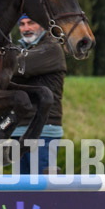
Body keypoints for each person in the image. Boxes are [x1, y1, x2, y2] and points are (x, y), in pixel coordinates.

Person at [10, 15, 67, 174]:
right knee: (20, 186)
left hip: (43, 130)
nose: (26, 28)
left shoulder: (51, 48)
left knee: (43, 185)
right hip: (18, 130)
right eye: (22, 24)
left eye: (31, 23)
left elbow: (16, 68)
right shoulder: (19, 50)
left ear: (42, 24)